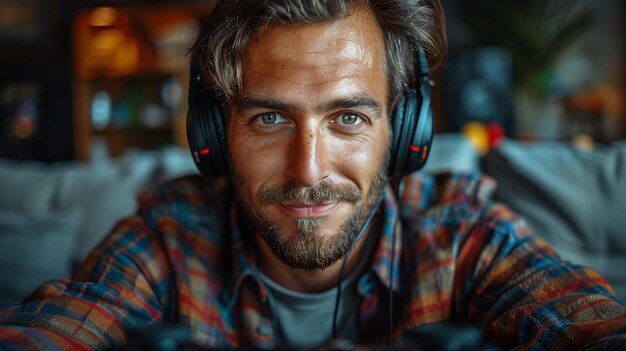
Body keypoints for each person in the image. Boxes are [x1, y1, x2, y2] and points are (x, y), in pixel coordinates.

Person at [1, 0, 626, 349]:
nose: (308, 171)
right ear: (216, 133)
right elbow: (63, 328)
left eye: (349, 117)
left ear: (404, 132)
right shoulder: (171, 234)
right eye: (270, 117)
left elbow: (585, 321)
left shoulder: (460, 230)